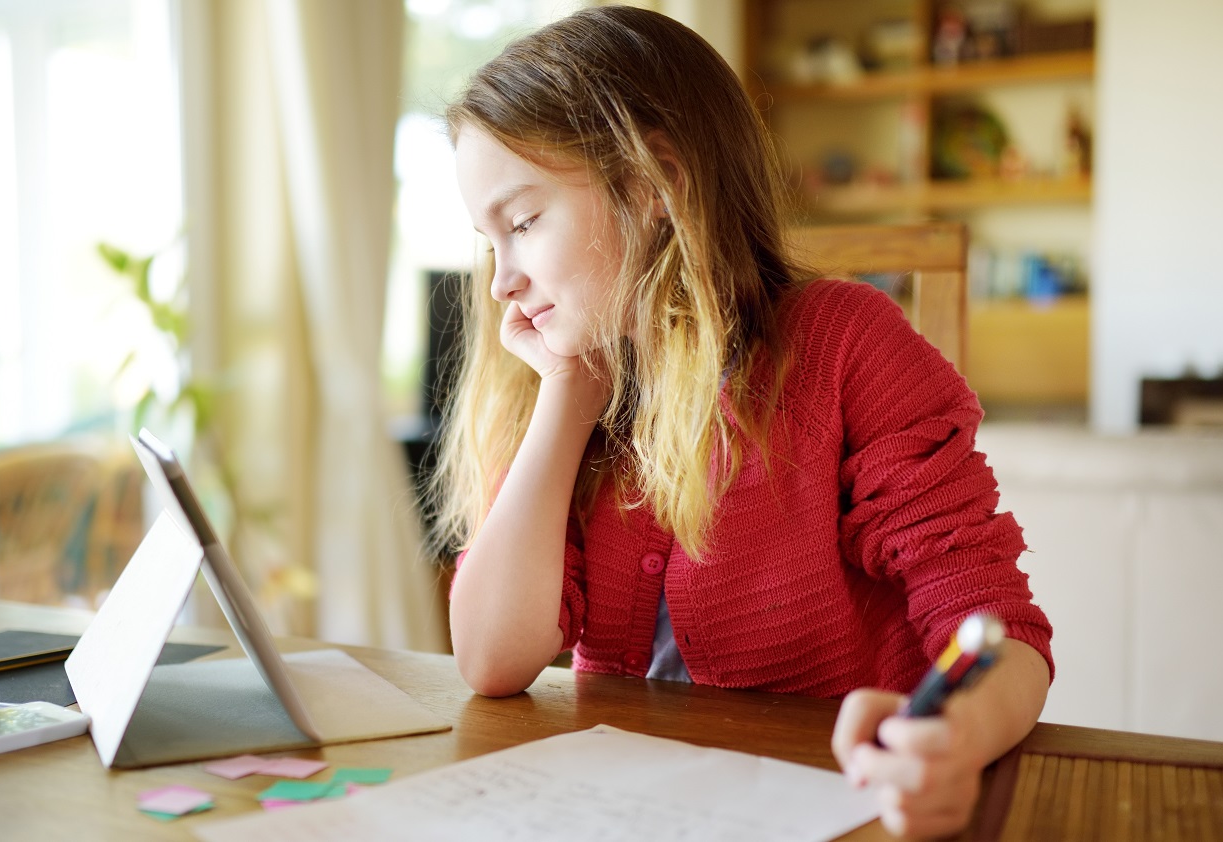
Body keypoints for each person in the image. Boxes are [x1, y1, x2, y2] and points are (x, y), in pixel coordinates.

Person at [430, 7, 1052, 839]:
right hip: (627, 803)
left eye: (523, 222)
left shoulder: (845, 347)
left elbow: (997, 626)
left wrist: (955, 741)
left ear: (654, 184)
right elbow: (491, 658)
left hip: (828, 801)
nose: (501, 280)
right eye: (488, 241)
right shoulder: (581, 379)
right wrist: (567, 394)